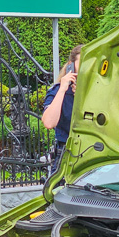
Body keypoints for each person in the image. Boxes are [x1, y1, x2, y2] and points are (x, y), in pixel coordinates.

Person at [42, 44, 82, 175]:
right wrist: (63, 89)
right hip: (67, 154)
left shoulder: (98, 92)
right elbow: (48, 122)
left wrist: (83, 97)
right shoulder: (57, 91)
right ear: (71, 65)